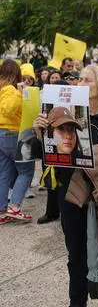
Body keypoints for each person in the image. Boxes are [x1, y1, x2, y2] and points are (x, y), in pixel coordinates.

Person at [33, 65, 98, 307]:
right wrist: (40, 134)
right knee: (75, 253)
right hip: (70, 194)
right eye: (79, 80)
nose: (80, 84)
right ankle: (76, 302)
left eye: (87, 80)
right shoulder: (64, 116)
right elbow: (45, 157)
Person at [0, 60, 34, 223]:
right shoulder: (10, 89)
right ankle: (14, 207)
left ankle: (2, 210)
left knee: (5, 173)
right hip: (13, 133)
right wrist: (19, 93)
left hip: (2, 134)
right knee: (26, 170)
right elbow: (8, 110)